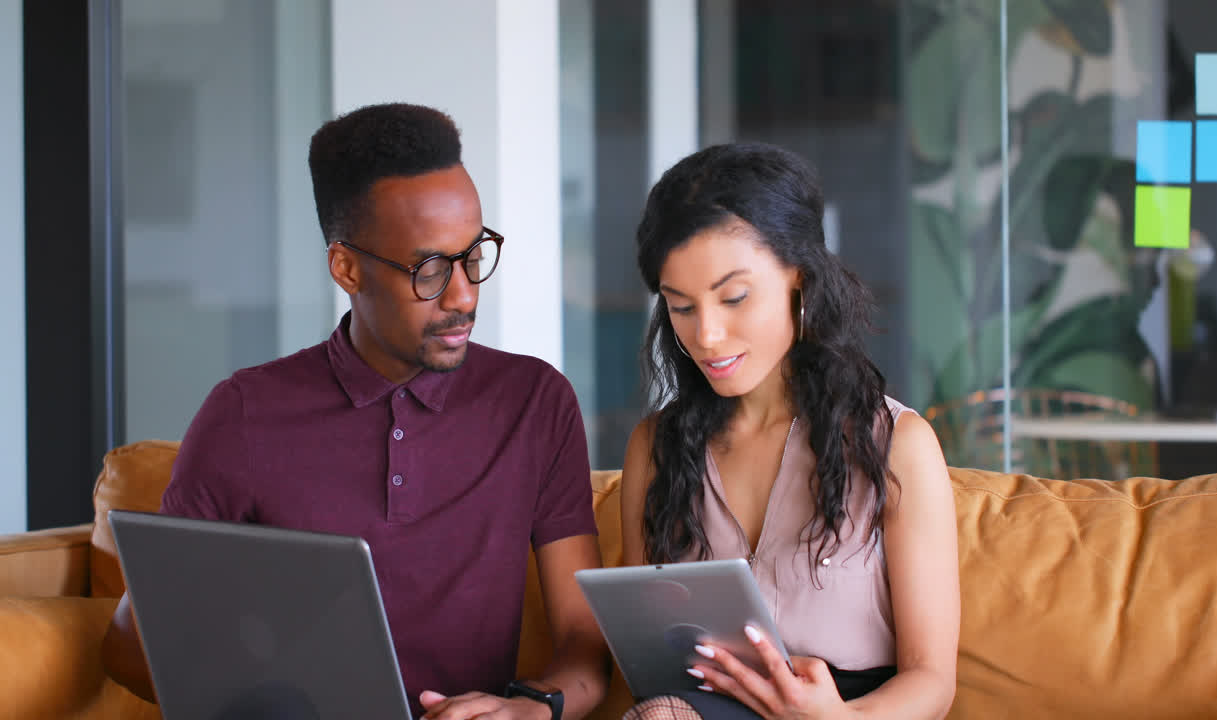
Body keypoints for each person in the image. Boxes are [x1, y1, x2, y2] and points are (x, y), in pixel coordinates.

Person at [101, 103, 611, 720]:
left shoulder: (535, 403)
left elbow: (587, 650)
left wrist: (535, 710)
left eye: (474, 255)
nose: (464, 295)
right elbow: (126, 650)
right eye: (429, 269)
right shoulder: (244, 414)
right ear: (347, 268)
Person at [619, 143, 959, 720]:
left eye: (734, 298)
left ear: (799, 277)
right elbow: (642, 655)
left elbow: (932, 681)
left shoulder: (897, 444)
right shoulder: (655, 447)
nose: (707, 335)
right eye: (681, 307)